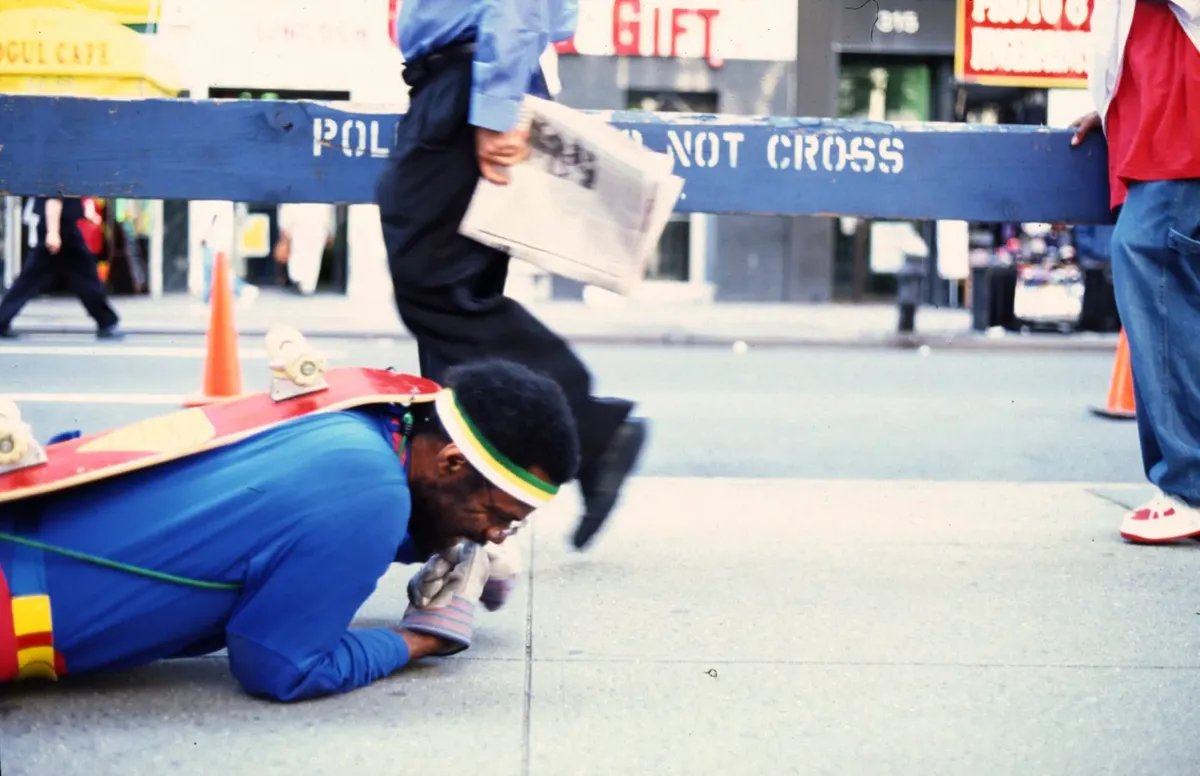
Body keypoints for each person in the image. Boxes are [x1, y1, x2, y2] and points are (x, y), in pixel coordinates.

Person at [0, 359, 578, 701]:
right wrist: (423, 640)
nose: (497, 536)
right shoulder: (371, 493)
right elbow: (281, 667)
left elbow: (293, 529)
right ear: (451, 462)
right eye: (499, 515)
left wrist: (451, 539)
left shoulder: (370, 417)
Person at [375, 0, 646, 551]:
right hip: (465, 80)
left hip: (470, 81)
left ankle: (587, 429)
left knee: (439, 292)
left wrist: (494, 109)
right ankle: (457, 495)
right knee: (450, 296)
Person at [1071, 0, 1200, 543]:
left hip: (1177, 126)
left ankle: (1190, 487)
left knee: (1154, 269)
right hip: (1159, 117)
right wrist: (1110, 101)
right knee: (1166, 282)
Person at [0, 196, 122, 340]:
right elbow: (55, 194)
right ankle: (106, 320)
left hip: (61, 227)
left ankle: (106, 320)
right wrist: (53, 231)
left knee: (32, 278)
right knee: (83, 275)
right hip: (61, 228)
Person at [276, 203, 335, 295]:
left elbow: (328, 215)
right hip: (302, 228)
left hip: (314, 229)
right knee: (302, 254)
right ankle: (301, 281)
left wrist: (329, 232)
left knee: (312, 256)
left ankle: (307, 284)